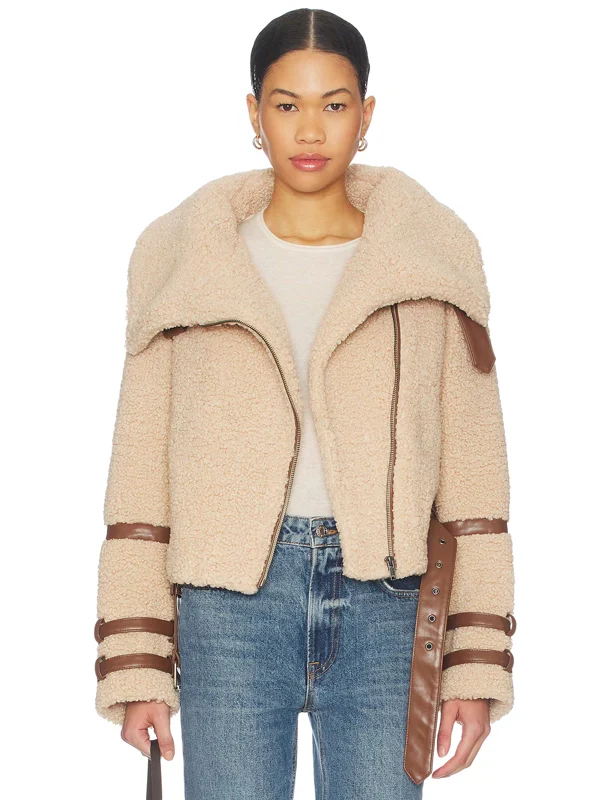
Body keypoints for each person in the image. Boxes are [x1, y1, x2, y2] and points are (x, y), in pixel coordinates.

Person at [93, 8, 516, 797]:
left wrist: (476, 657)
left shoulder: (431, 259)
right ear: (254, 113)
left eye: (335, 103)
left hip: (389, 604)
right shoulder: (186, 260)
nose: (311, 129)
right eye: (287, 104)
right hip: (227, 609)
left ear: (367, 113)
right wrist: (137, 659)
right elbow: (140, 469)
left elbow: (474, 471)